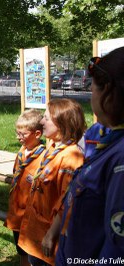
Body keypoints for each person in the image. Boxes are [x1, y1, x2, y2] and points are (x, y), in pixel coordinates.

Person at [56, 47, 124, 264]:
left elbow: (117, 250)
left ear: (107, 91)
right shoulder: (107, 139)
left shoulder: (120, 158)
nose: (91, 96)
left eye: (93, 88)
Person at [18, 98, 86, 266]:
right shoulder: (54, 148)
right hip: (36, 234)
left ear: (62, 123)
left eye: (47, 118)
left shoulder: (71, 158)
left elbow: (68, 202)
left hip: (49, 239)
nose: (41, 122)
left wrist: (50, 235)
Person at [4, 109, 45, 266]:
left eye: (23, 134)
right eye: (17, 133)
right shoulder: (21, 152)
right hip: (18, 212)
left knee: (34, 251)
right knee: (21, 250)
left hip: (32, 214)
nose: (18, 137)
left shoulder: (44, 157)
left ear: (37, 134)